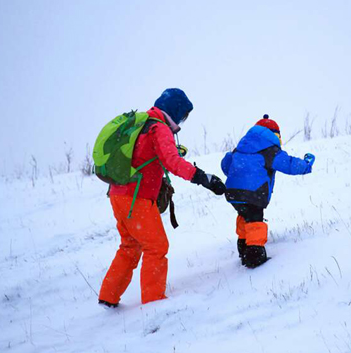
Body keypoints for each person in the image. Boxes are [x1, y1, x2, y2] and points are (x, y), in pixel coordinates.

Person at [98, 88, 226, 308]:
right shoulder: (159, 128)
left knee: (130, 246)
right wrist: (203, 178)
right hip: (136, 198)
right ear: (176, 111)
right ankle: (153, 302)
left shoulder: (142, 124)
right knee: (157, 247)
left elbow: (144, 156)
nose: (183, 120)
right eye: (183, 115)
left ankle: (108, 297)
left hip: (118, 195)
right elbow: (172, 162)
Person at [221, 115, 315, 268]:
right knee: (255, 219)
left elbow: (226, 165)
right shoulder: (270, 150)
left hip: (233, 193)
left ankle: (243, 246)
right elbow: (289, 164)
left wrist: (238, 169)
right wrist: (306, 165)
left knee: (245, 215)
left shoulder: (240, 147)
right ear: (274, 135)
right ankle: (254, 254)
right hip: (254, 193)